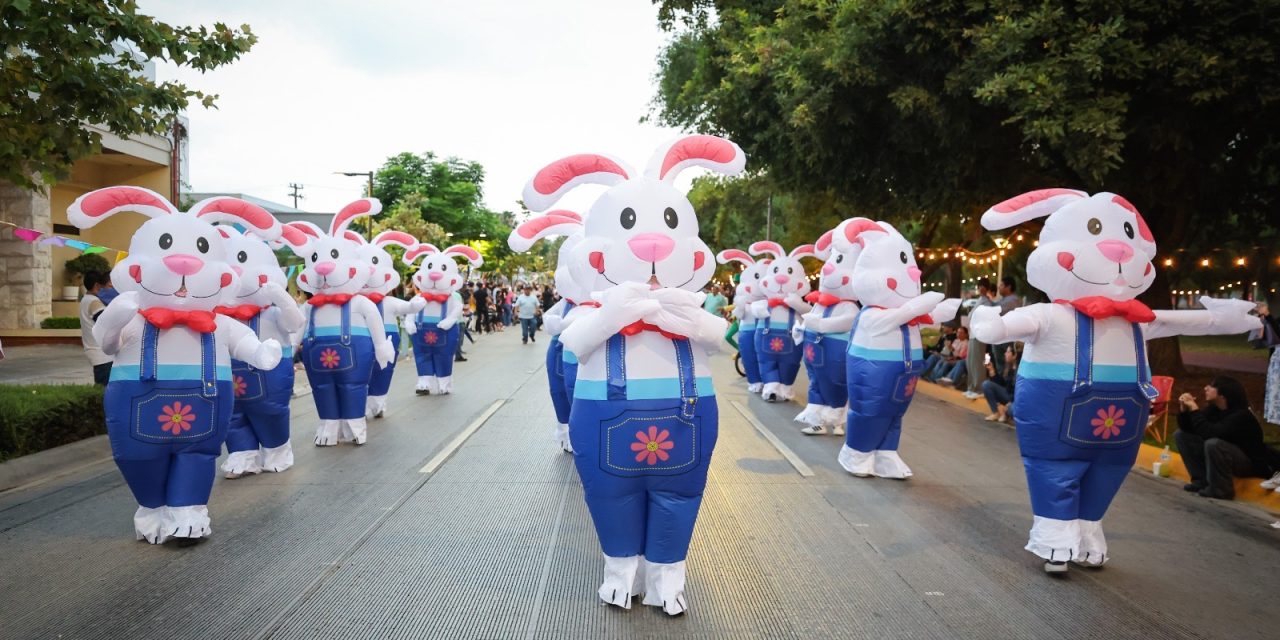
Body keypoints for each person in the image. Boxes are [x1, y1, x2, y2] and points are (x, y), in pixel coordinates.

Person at [1174, 376, 1274, 499]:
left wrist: (1194, 409)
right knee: (1181, 435)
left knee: (1214, 444)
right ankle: (1201, 481)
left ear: (1223, 395)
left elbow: (1210, 433)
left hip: (1249, 463)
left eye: (1211, 386)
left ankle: (1221, 489)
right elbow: (1189, 429)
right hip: (1227, 457)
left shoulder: (1241, 416)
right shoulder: (1215, 409)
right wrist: (1184, 410)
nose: (1206, 388)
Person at [964, 278, 998, 400]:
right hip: (973, 334)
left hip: (980, 334)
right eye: (979, 286)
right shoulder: (979, 300)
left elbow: (986, 316)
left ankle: (979, 388)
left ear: (987, 288)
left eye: (983, 286)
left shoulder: (987, 302)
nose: (980, 288)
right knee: (971, 361)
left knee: (978, 362)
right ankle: (971, 387)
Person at [79, 270, 113, 385]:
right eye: (107, 285)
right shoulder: (94, 302)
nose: (108, 289)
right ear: (97, 285)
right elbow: (107, 323)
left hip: (96, 352)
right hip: (101, 354)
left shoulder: (86, 299)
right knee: (104, 388)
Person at [991, 276, 1021, 377]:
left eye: (1001, 285)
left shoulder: (1012, 300)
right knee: (1001, 363)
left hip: (1007, 338)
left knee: (1005, 364)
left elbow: (994, 311)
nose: (999, 287)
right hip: (1002, 337)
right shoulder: (1005, 299)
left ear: (1008, 287)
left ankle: (1005, 385)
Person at [981, 345, 1019, 423]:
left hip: (1015, 399)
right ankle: (996, 413)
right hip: (1007, 396)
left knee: (1013, 410)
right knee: (986, 384)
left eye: (1008, 352)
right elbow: (1001, 384)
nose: (1005, 354)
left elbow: (1018, 391)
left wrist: (1010, 402)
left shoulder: (1019, 370)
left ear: (1015, 356)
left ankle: (1006, 412)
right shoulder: (1008, 366)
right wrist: (992, 370)